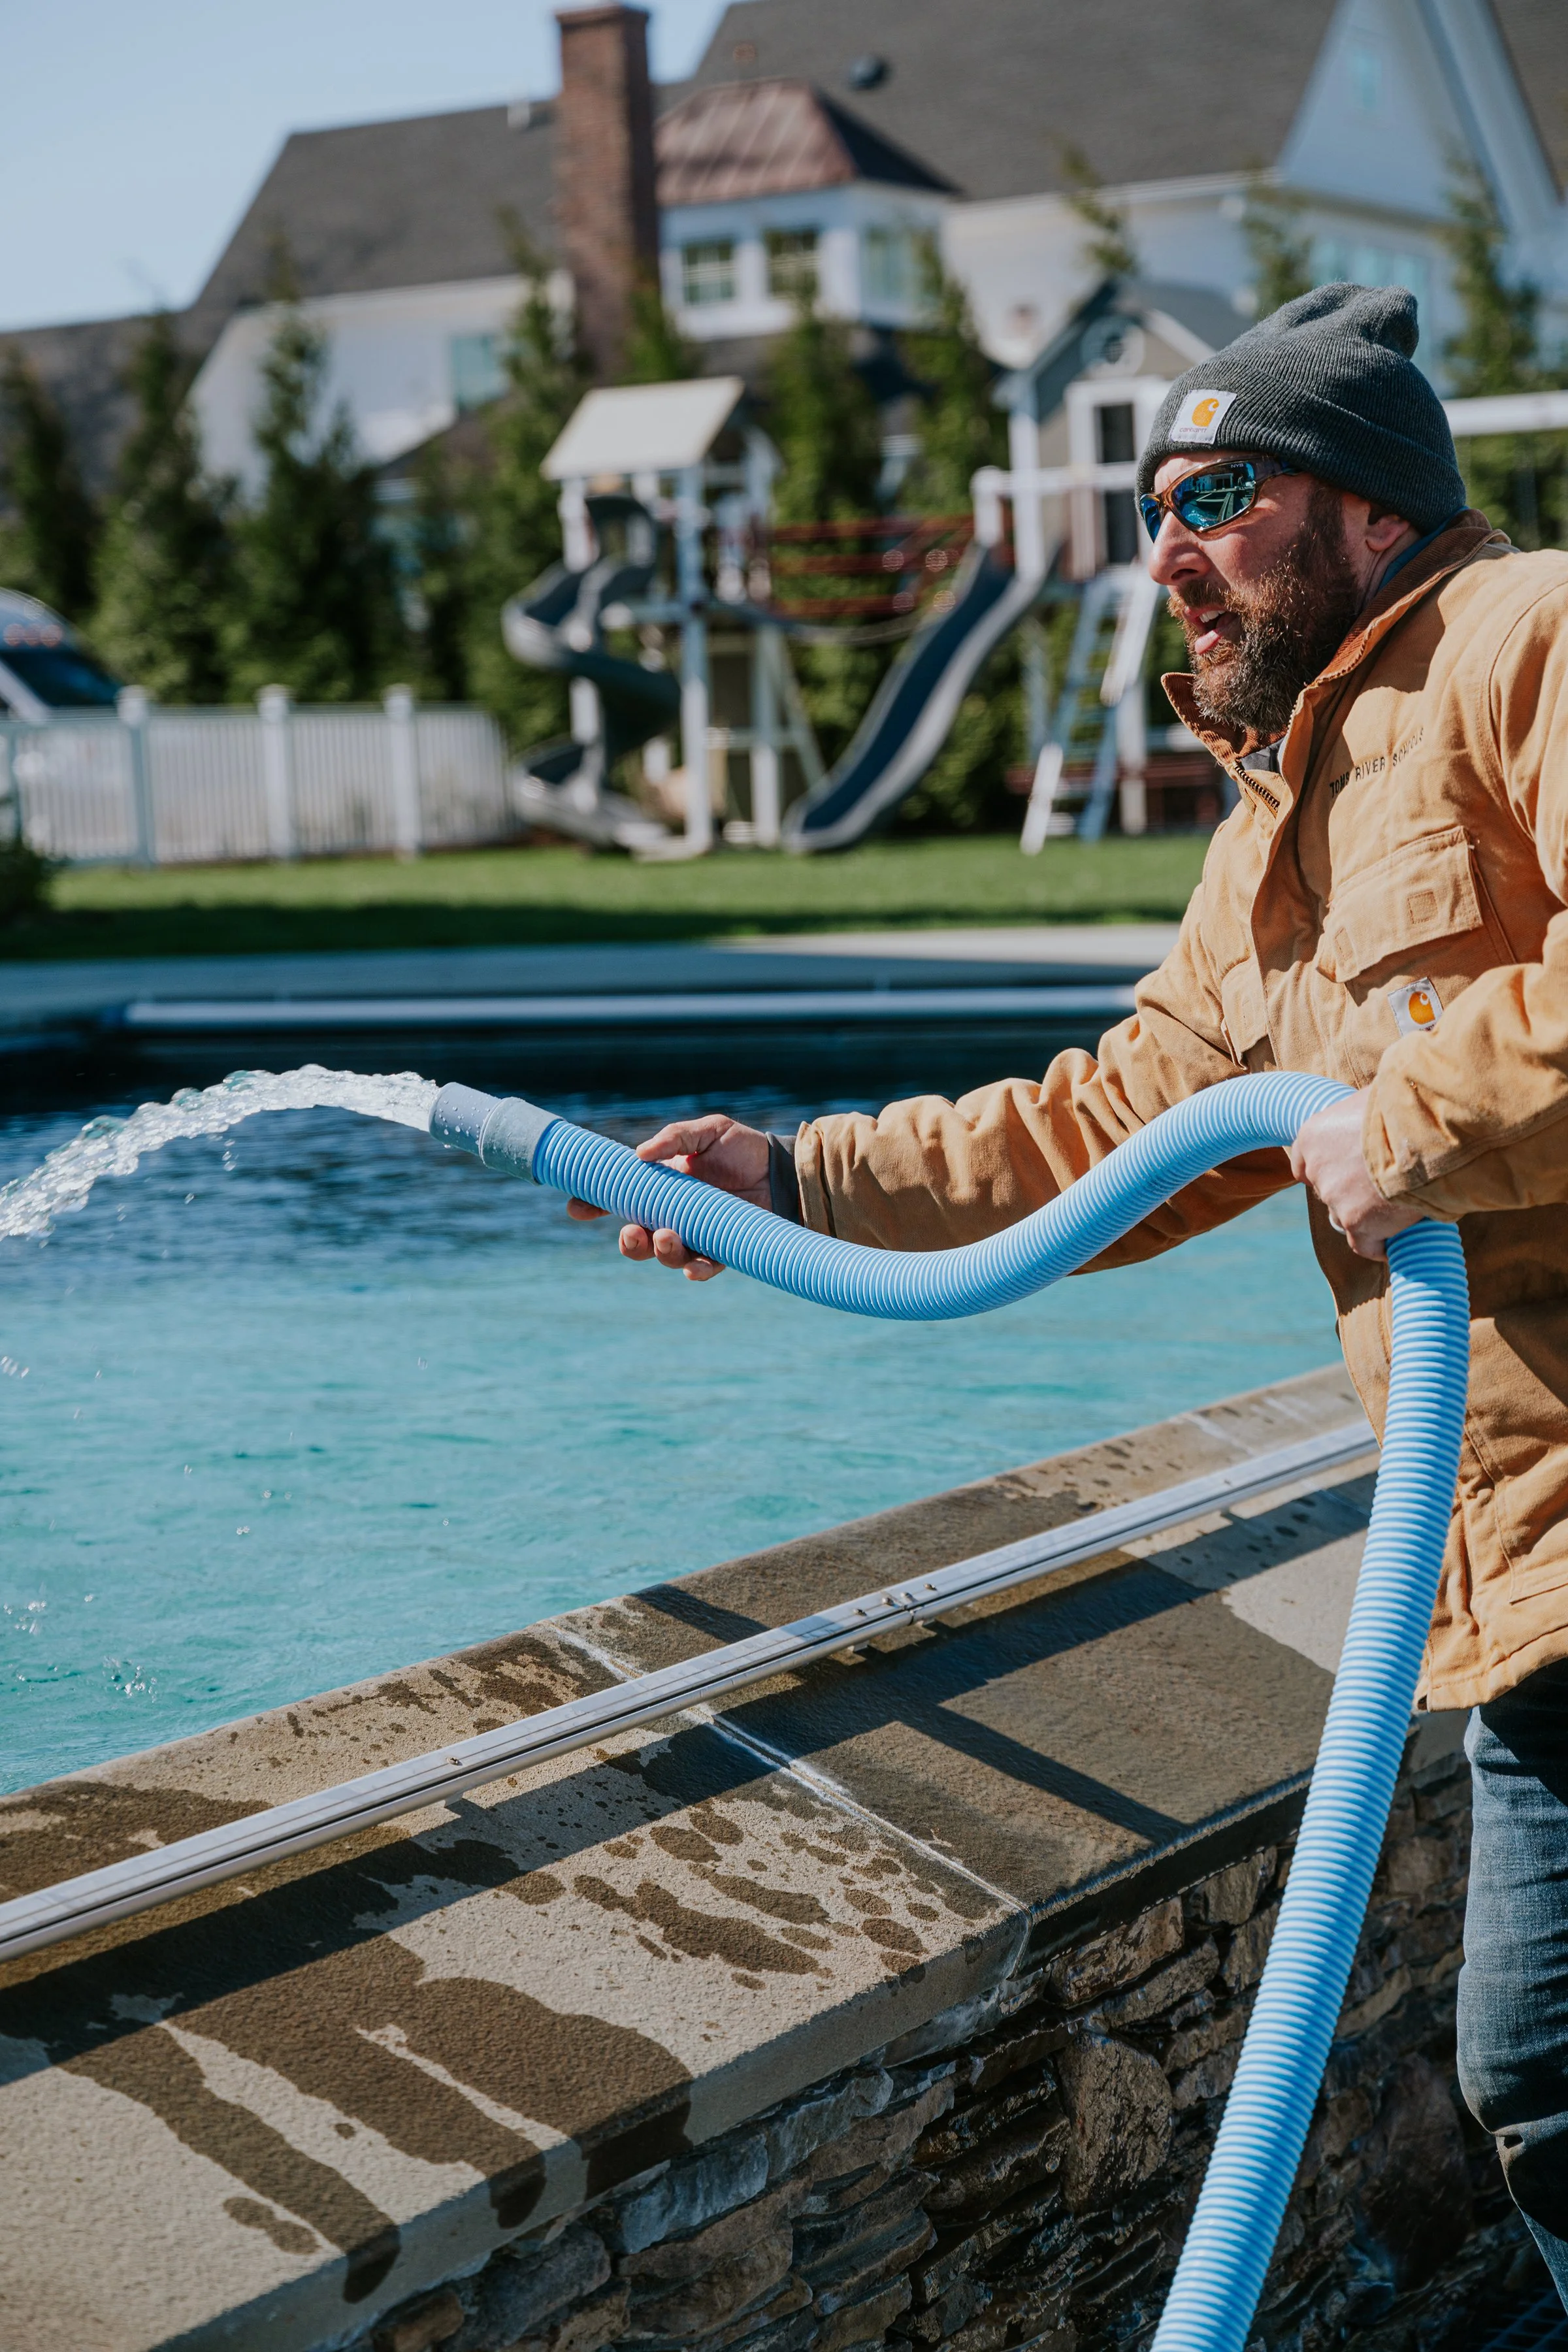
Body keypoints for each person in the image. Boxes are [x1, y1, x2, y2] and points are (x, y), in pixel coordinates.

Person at [570, 285, 1568, 2291]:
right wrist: (799, 1180)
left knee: (1549, 2076)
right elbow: (1115, 1125)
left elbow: (1436, 1096)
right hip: (1522, 1578)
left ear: (1368, 508)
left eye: (1219, 490)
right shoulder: (1283, 813)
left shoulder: (1525, 637)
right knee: (1546, 2084)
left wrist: (1418, 1122)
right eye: (1149, 507)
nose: (1168, 549)